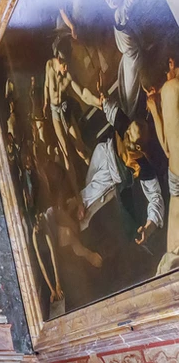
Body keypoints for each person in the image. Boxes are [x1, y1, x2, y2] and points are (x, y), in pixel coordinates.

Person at [78, 97, 164, 245]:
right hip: (101, 154)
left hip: (111, 180)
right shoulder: (125, 126)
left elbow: (155, 197)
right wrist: (103, 97)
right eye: (129, 129)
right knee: (83, 194)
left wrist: (149, 226)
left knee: (89, 210)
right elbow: (110, 108)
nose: (127, 133)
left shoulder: (143, 166)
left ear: (139, 148)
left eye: (131, 135)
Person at [42, 44, 101, 172]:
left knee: (80, 149)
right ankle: (76, 190)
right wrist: (46, 101)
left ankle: (96, 169)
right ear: (58, 59)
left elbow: (83, 94)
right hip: (54, 113)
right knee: (66, 155)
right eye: (64, 64)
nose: (67, 67)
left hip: (65, 111)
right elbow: (46, 85)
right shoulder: (49, 65)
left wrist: (97, 102)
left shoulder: (69, 75)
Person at [145, 55, 179, 274]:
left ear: (171, 63)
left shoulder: (170, 88)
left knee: (171, 258)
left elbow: (168, 149)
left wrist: (155, 109)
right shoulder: (170, 89)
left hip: (177, 180)